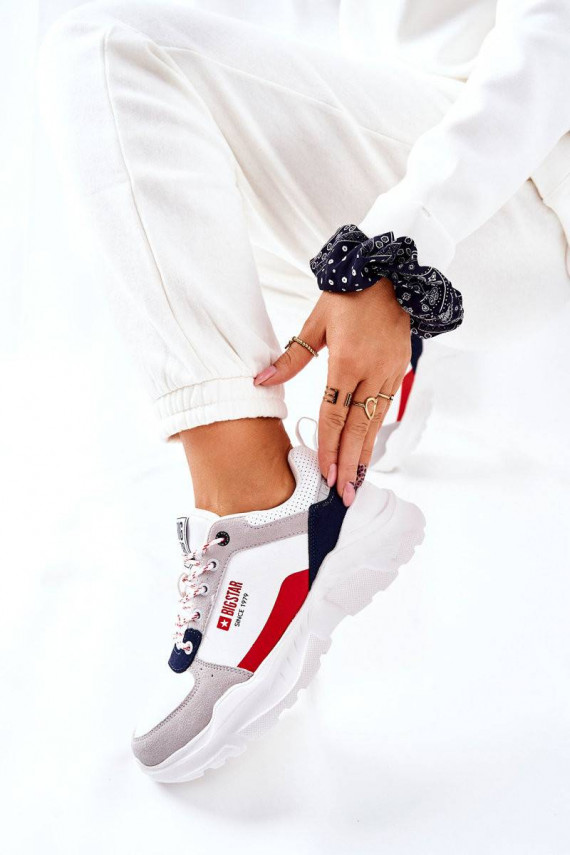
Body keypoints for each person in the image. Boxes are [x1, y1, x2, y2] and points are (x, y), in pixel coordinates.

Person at [37, 0, 570, 782]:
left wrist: (400, 248)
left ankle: (265, 506)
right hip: (448, 158)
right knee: (159, 171)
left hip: (522, 188)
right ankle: (367, 403)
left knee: (106, 47)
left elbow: (555, 37)